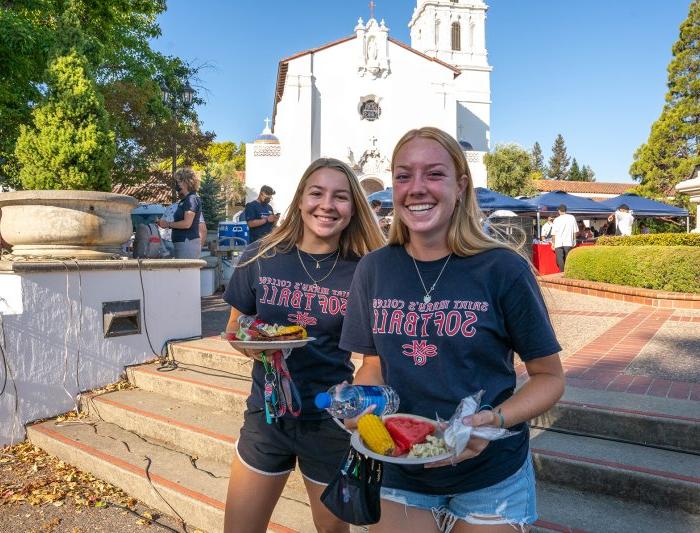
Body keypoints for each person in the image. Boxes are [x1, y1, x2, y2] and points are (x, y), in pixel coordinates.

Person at [340, 127, 564, 533]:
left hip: (492, 474)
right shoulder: (374, 269)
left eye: (434, 174)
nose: (416, 188)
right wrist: (362, 401)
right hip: (400, 464)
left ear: (461, 185)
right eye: (403, 175)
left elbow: (549, 378)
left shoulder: (504, 269)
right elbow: (372, 365)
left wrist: (494, 419)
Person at [222, 158, 385, 533]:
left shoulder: (364, 271)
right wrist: (256, 345)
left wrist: (357, 400)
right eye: (317, 193)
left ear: (353, 208)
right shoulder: (260, 257)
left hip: (329, 421)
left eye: (340, 196)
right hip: (266, 417)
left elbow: (373, 360)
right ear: (299, 200)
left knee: (331, 530)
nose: (326, 204)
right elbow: (235, 325)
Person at [156, 168, 202, 259]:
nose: (176, 184)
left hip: (187, 243)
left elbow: (186, 224)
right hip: (182, 243)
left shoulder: (191, 199)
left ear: (185, 182)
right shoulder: (185, 200)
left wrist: (167, 224)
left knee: (186, 272)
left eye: (178, 181)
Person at [550, 204, 577, 271]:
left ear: (559, 211)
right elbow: (575, 231)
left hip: (558, 242)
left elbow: (553, 233)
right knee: (568, 259)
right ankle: (568, 272)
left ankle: (562, 272)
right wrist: (574, 240)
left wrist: (553, 243)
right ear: (566, 210)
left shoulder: (556, 220)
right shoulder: (572, 217)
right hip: (568, 241)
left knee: (560, 260)